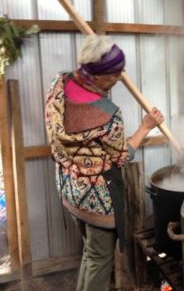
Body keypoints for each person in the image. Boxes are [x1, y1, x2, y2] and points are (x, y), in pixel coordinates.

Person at [44, 35, 164, 291]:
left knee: (91, 252)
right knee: (100, 258)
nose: (120, 77)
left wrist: (114, 69)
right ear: (96, 75)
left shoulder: (59, 84)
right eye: (115, 73)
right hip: (96, 200)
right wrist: (145, 126)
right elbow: (121, 156)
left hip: (69, 187)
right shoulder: (107, 115)